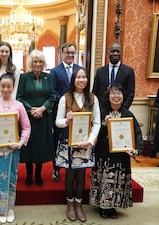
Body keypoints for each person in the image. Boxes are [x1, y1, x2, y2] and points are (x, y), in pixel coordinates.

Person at [89, 83, 143, 219]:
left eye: (119, 93)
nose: (116, 96)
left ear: (123, 97)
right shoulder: (102, 113)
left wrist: (136, 150)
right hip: (104, 154)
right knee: (105, 180)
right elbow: (94, 133)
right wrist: (103, 123)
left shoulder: (128, 114)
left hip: (121, 156)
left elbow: (137, 133)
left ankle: (113, 206)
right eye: (113, 93)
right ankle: (103, 206)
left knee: (117, 181)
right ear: (108, 96)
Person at [55, 68, 101, 222]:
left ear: (87, 80)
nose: (81, 80)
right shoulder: (65, 98)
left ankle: (79, 204)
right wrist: (67, 120)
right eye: (78, 77)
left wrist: (91, 139)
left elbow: (97, 122)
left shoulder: (93, 99)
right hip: (68, 143)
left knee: (81, 174)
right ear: (73, 80)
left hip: (85, 142)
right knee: (69, 174)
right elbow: (58, 122)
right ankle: (70, 204)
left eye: (84, 77)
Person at [0, 73, 31, 223]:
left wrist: (21, 142)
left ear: (13, 87)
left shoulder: (19, 106)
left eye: (8, 86)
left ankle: (10, 207)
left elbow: (26, 127)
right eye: (3, 86)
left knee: (11, 178)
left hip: (12, 149)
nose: (5, 89)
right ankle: (0, 208)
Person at [17, 50, 56, 187]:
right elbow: (19, 98)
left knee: (40, 146)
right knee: (29, 146)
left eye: (40, 61)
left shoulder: (48, 77)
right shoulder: (24, 77)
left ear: (43, 63)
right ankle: (28, 174)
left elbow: (52, 97)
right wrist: (31, 109)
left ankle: (38, 174)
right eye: (35, 61)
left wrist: (42, 108)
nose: (38, 64)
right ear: (31, 63)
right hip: (28, 118)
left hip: (44, 117)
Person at [50, 42, 82, 182]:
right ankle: (56, 168)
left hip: (78, 113)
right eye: (67, 52)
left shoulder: (80, 70)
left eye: (72, 53)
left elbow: (83, 88)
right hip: (60, 112)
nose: (70, 55)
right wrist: (66, 102)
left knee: (76, 140)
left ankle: (75, 166)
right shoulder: (55, 71)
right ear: (62, 54)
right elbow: (53, 91)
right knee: (58, 141)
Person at [92, 42, 135, 110]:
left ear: (121, 53)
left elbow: (130, 93)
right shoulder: (100, 71)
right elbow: (95, 92)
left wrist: (123, 109)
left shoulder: (128, 71)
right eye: (112, 51)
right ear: (108, 53)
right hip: (102, 110)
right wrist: (99, 109)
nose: (115, 53)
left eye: (117, 51)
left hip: (121, 110)